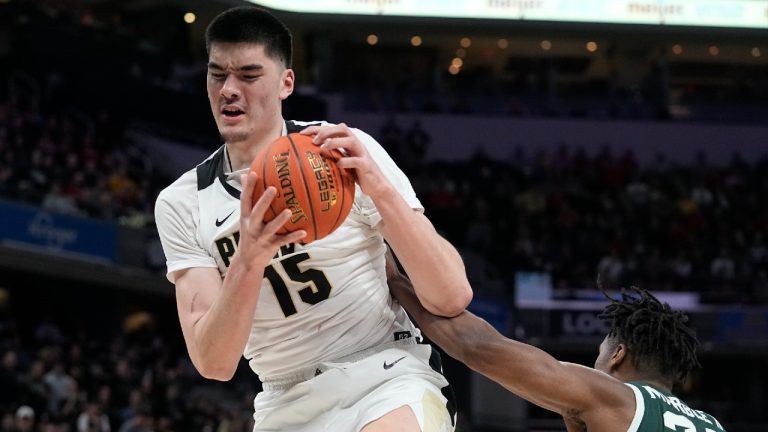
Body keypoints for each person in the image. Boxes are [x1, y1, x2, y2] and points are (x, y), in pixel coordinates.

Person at [154, 6, 472, 432]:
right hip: (285, 397)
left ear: (286, 83)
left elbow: (451, 296)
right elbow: (214, 363)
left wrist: (379, 188)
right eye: (217, 75)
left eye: (249, 76)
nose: (229, 89)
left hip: (386, 371)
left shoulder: (343, 150)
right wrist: (248, 258)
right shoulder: (181, 202)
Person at [387, 256, 726, 431]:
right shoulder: (712, 424)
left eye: (600, 354)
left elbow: (474, 346)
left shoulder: (616, 398)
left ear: (618, 355)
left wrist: (396, 281)